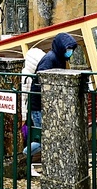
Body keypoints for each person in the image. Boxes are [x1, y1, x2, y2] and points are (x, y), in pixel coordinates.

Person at [24, 33, 76, 166]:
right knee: (44, 138)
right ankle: (22, 157)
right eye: (68, 49)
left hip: (46, 105)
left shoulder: (60, 59)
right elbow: (42, 81)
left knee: (48, 136)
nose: (69, 52)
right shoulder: (50, 59)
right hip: (39, 106)